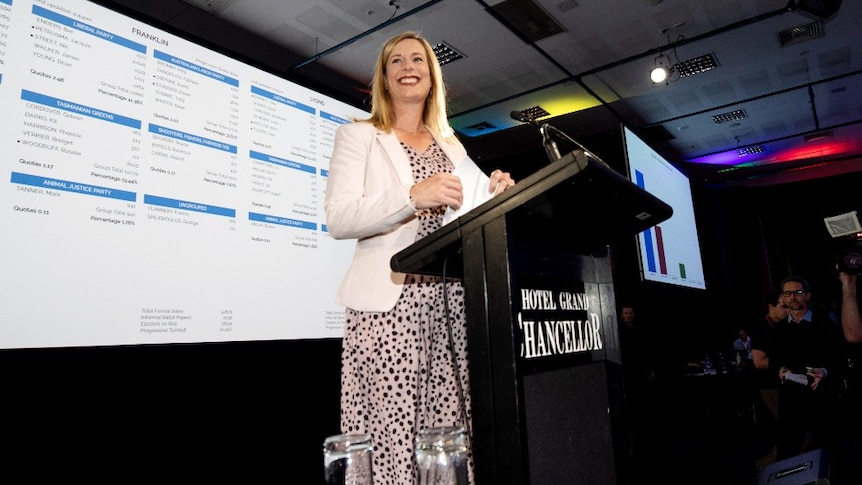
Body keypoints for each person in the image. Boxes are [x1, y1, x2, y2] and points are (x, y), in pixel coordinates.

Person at [324, 31, 515, 485]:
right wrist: (412, 195)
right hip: (389, 307)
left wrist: (497, 192)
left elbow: (470, 210)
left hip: (447, 304)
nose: (408, 67)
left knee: (444, 433)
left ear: (432, 76)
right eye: (396, 61)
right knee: (392, 432)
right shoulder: (358, 136)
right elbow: (340, 217)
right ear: (385, 79)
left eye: (418, 60)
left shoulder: (452, 147)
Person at [768, 275, 846, 461]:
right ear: (784, 297)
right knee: (788, 449)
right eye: (788, 293)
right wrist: (779, 370)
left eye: (798, 292)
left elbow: (841, 358)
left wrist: (825, 372)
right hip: (791, 398)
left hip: (822, 396)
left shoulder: (826, 324)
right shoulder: (778, 330)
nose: (793, 297)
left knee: (829, 449)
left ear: (808, 296)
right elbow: (773, 363)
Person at [749, 288, 790, 469]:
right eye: (783, 307)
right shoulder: (762, 328)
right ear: (770, 307)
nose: (787, 311)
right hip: (772, 388)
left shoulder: (783, 326)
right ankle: (765, 469)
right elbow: (759, 362)